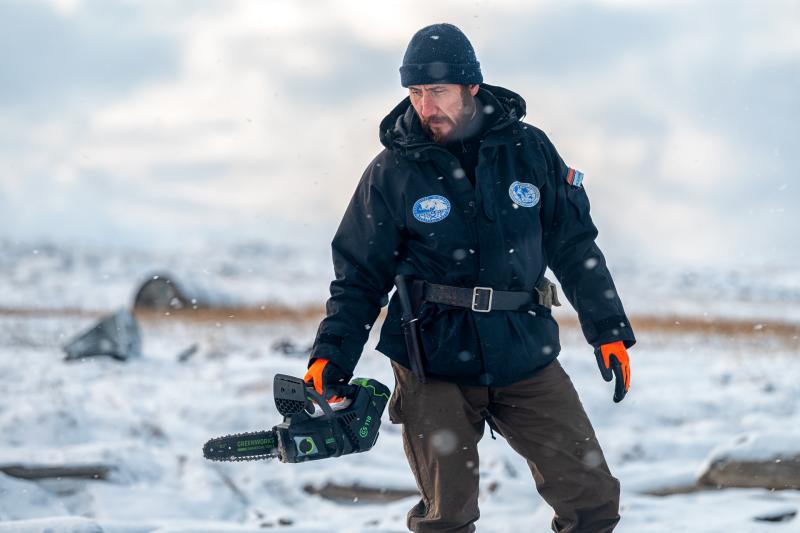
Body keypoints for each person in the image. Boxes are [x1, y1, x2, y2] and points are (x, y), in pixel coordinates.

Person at [303, 23, 636, 533]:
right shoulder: (391, 172)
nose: (425, 105)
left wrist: (609, 331)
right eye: (415, 92)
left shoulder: (529, 151)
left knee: (592, 502)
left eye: (436, 91)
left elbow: (574, 247)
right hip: (431, 357)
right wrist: (331, 354)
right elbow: (358, 278)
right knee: (447, 519)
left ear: (472, 87)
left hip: (524, 351)